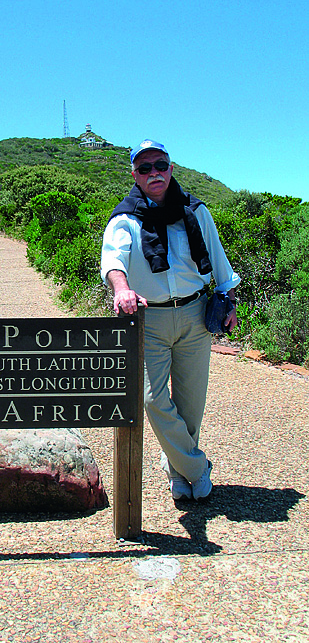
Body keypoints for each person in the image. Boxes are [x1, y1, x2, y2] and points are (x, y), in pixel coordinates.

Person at [101, 140, 240, 501]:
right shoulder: (125, 218)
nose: (154, 173)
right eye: (144, 168)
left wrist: (230, 301)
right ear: (135, 175)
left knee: (191, 403)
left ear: (171, 168)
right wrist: (121, 289)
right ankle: (197, 467)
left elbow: (219, 261)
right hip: (151, 320)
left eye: (159, 165)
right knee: (152, 399)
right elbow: (113, 261)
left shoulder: (196, 211)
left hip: (196, 316)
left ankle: (177, 472)